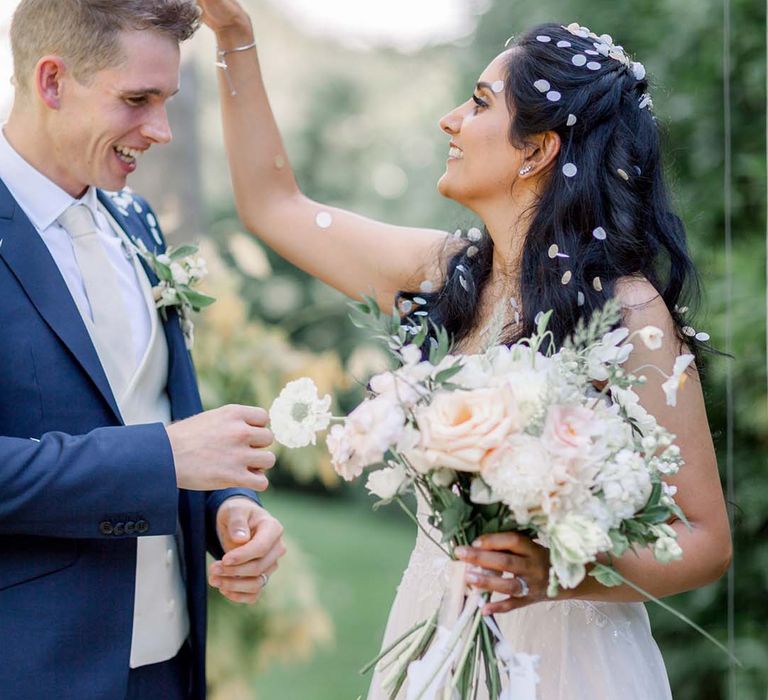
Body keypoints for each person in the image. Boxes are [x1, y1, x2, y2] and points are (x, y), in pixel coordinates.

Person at [199, 2, 732, 697]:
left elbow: (705, 540)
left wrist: (559, 574)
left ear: (537, 150)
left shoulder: (626, 313)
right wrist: (235, 36)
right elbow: (273, 205)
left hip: (574, 665)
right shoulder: (441, 272)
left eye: (478, 104)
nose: (449, 119)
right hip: (433, 637)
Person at [0, 2, 286, 699]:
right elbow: (159, 447)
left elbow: (151, 402)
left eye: (166, 101)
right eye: (136, 100)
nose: (158, 130)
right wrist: (166, 458)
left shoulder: (138, 221)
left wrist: (223, 504)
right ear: (51, 81)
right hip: (32, 666)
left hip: (170, 660)